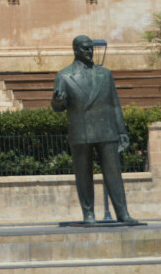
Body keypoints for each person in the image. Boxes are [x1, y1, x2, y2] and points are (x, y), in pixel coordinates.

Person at [51, 35, 137, 224]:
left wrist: (121, 131)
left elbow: (115, 104)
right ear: (76, 50)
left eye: (91, 48)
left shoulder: (105, 74)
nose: (89, 52)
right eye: (85, 49)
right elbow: (58, 107)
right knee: (83, 175)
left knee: (114, 173)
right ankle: (88, 213)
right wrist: (58, 101)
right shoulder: (64, 75)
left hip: (106, 131)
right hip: (81, 132)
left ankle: (122, 212)